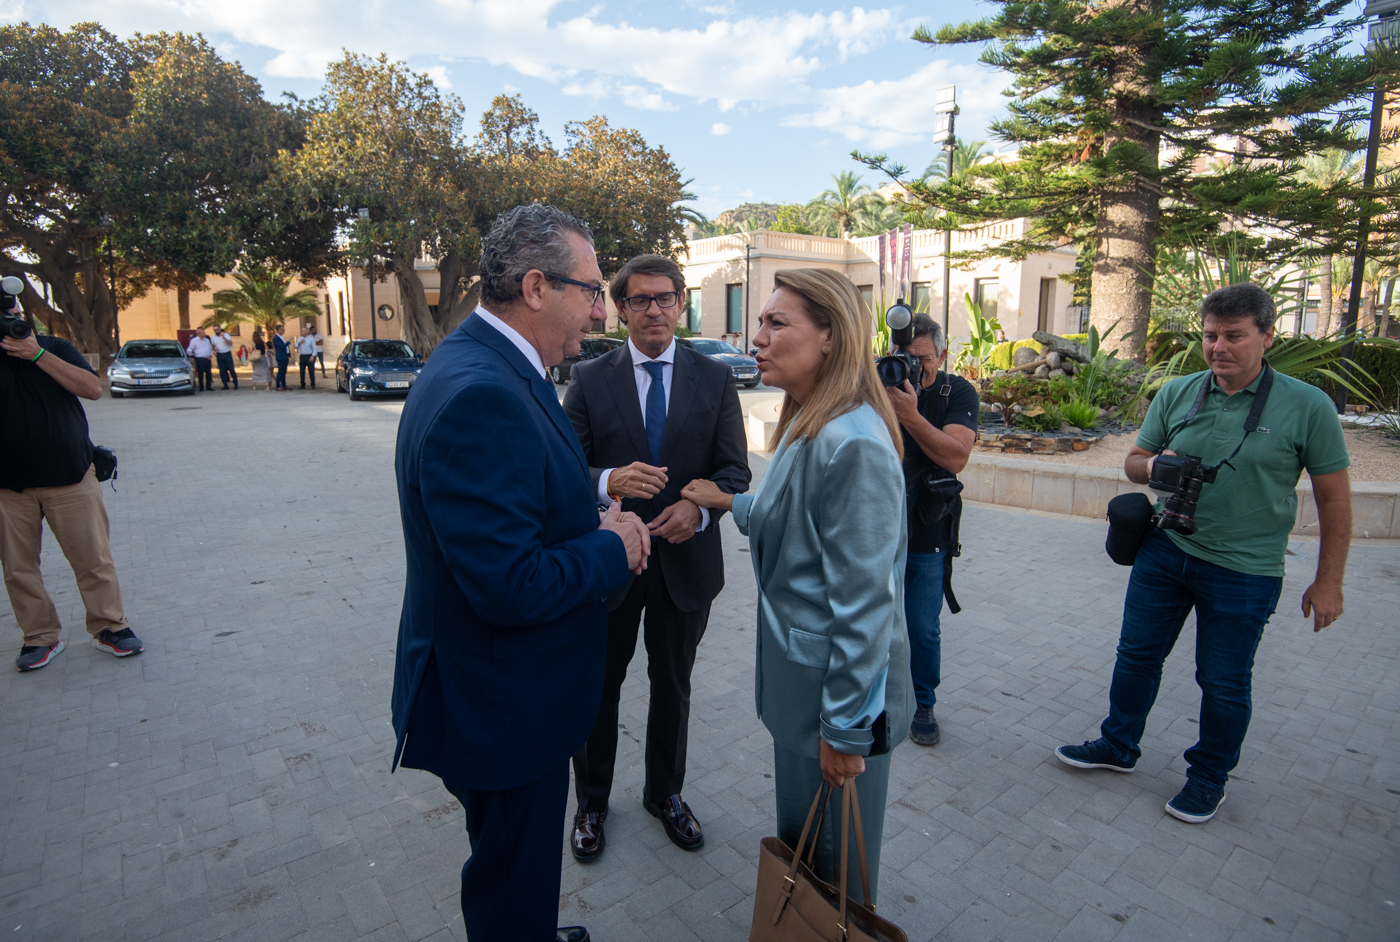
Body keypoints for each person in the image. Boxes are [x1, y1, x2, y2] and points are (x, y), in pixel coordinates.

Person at [391, 203, 650, 942]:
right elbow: (510, 584)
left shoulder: (495, 364)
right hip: (502, 709)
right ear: (536, 287)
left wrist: (588, 508)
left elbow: (522, 500)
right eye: (591, 291)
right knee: (512, 885)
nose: (601, 312)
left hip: (505, 693)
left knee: (521, 875)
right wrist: (613, 546)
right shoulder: (482, 392)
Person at [1056, 283, 1353, 824]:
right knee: (1136, 657)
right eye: (1211, 335)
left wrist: (1328, 580)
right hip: (1166, 549)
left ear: (1267, 336)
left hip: (1246, 569)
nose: (1219, 347)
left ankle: (1208, 778)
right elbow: (1134, 460)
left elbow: (1335, 499)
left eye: (1235, 336)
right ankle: (1118, 745)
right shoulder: (1178, 392)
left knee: (1223, 681)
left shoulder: (1308, 406)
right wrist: (1153, 467)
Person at [682, 268, 912, 907]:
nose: (756, 337)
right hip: (805, 696)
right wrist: (730, 501)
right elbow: (795, 520)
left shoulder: (853, 441)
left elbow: (866, 603)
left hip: (835, 705)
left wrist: (846, 729)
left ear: (831, 336)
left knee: (835, 883)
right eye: (760, 321)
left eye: (776, 323)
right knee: (805, 859)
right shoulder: (811, 420)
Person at [563, 255, 751, 861]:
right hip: (609, 564)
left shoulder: (714, 378)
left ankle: (665, 794)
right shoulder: (590, 378)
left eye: (665, 298)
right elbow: (562, 469)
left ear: (680, 304)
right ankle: (592, 802)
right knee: (598, 688)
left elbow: (734, 471)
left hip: (685, 564)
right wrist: (607, 480)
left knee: (673, 684)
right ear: (620, 309)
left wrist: (700, 510)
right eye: (639, 299)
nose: (653, 310)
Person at [0, 295, 144, 671]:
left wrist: (35, 354)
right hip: (8, 487)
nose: (9, 322)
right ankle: (39, 637)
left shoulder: (54, 347)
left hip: (70, 476)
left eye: (12, 314)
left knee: (92, 558)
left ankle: (111, 626)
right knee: (18, 569)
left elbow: (92, 389)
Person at [884, 313, 978, 747]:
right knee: (873, 620)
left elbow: (956, 457)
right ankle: (879, 698)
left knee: (922, 627)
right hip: (879, 527)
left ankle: (923, 702)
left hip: (927, 529)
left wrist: (909, 414)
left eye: (922, 359)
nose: (913, 366)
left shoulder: (955, 392)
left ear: (942, 356)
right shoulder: (879, 382)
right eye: (904, 356)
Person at [210, 326, 239, 390]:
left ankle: (236, 384)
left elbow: (230, 343)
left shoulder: (226, 335)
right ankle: (225, 385)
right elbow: (212, 346)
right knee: (222, 371)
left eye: (217, 330)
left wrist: (224, 338)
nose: (216, 331)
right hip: (219, 354)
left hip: (227, 353)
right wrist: (214, 348)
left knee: (231, 369)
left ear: (220, 329)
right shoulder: (213, 337)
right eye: (215, 330)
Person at [272, 324, 290, 391]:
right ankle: (278, 386)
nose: (284, 331)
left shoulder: (281, 337)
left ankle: (283, 385)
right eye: (283, 330)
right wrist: (288, 342)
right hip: (281, 357)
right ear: (279, 330)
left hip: (285, 356)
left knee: (284, 372)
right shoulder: (276, 338)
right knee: (280, 371)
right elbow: (282, 346)